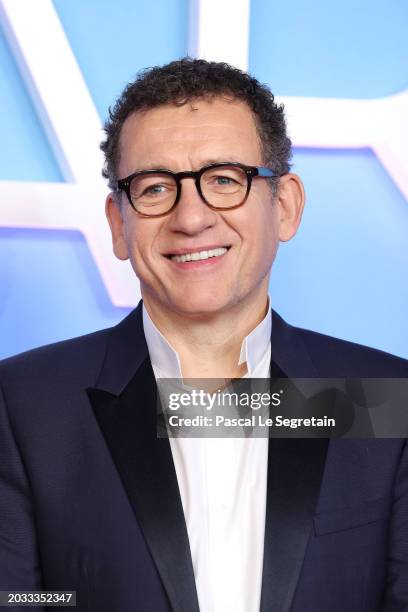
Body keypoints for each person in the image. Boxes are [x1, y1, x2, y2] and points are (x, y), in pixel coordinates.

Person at [0, 58, 407, 612]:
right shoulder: (26, 405)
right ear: (119, 224)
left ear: (284, 206)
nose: (191, 218)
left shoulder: (387, 396)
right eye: (154, 187)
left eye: (223, 180)